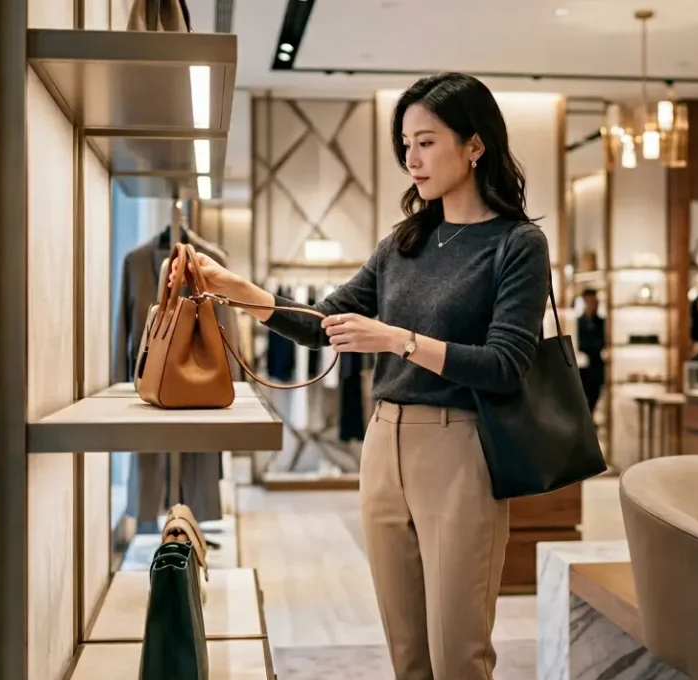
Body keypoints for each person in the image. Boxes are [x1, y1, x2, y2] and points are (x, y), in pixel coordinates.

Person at [183, 72, 547, 680]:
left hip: (460, 450)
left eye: (426, 142)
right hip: (382, 447)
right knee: (406, 653)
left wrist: (397, 340)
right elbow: (322, 322)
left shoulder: (516, 244)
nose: (412, 158)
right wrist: (236, 291)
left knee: (458, 654)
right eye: (405, 144)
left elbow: (506, 365)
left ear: (475, 145)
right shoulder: (402, 243)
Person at [576, 288, 607, 412]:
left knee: (592, 402)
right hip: (582, 369)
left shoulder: (601, 323)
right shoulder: (577, 322)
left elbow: (603, 342)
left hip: (596, 369)